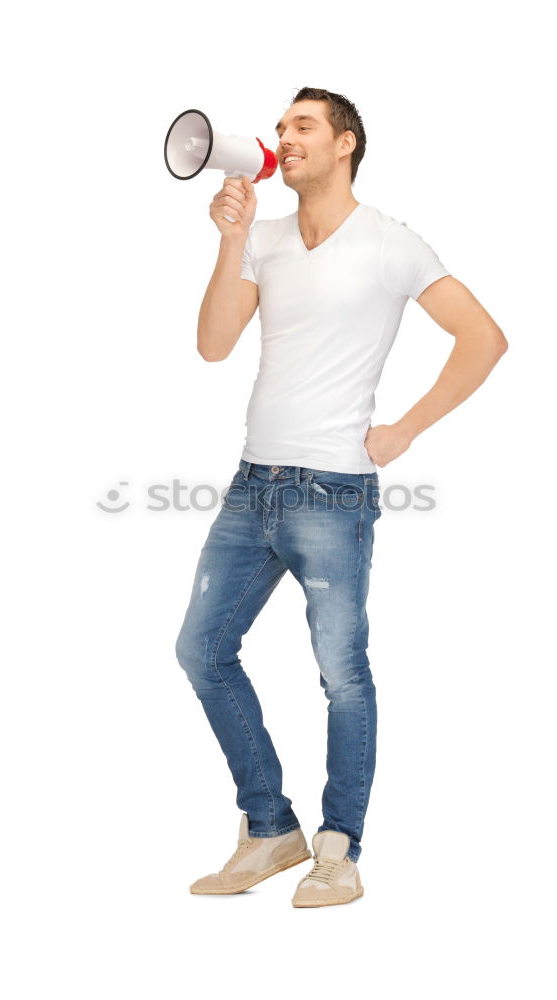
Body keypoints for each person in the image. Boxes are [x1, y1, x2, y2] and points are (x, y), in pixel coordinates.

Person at [175, 87, 508, 908]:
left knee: (340, 673)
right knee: (202, 651)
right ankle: (269, 830)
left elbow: (485, 337)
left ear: (345, 144)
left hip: (334, 492)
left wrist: (407, 429)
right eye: (281, 126)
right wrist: (231, 241)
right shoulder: (269, 238)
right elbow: (214, 345)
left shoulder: (391, 244)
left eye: (302, 127)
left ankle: (340, 848)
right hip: (254, 486)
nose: (283, 138)